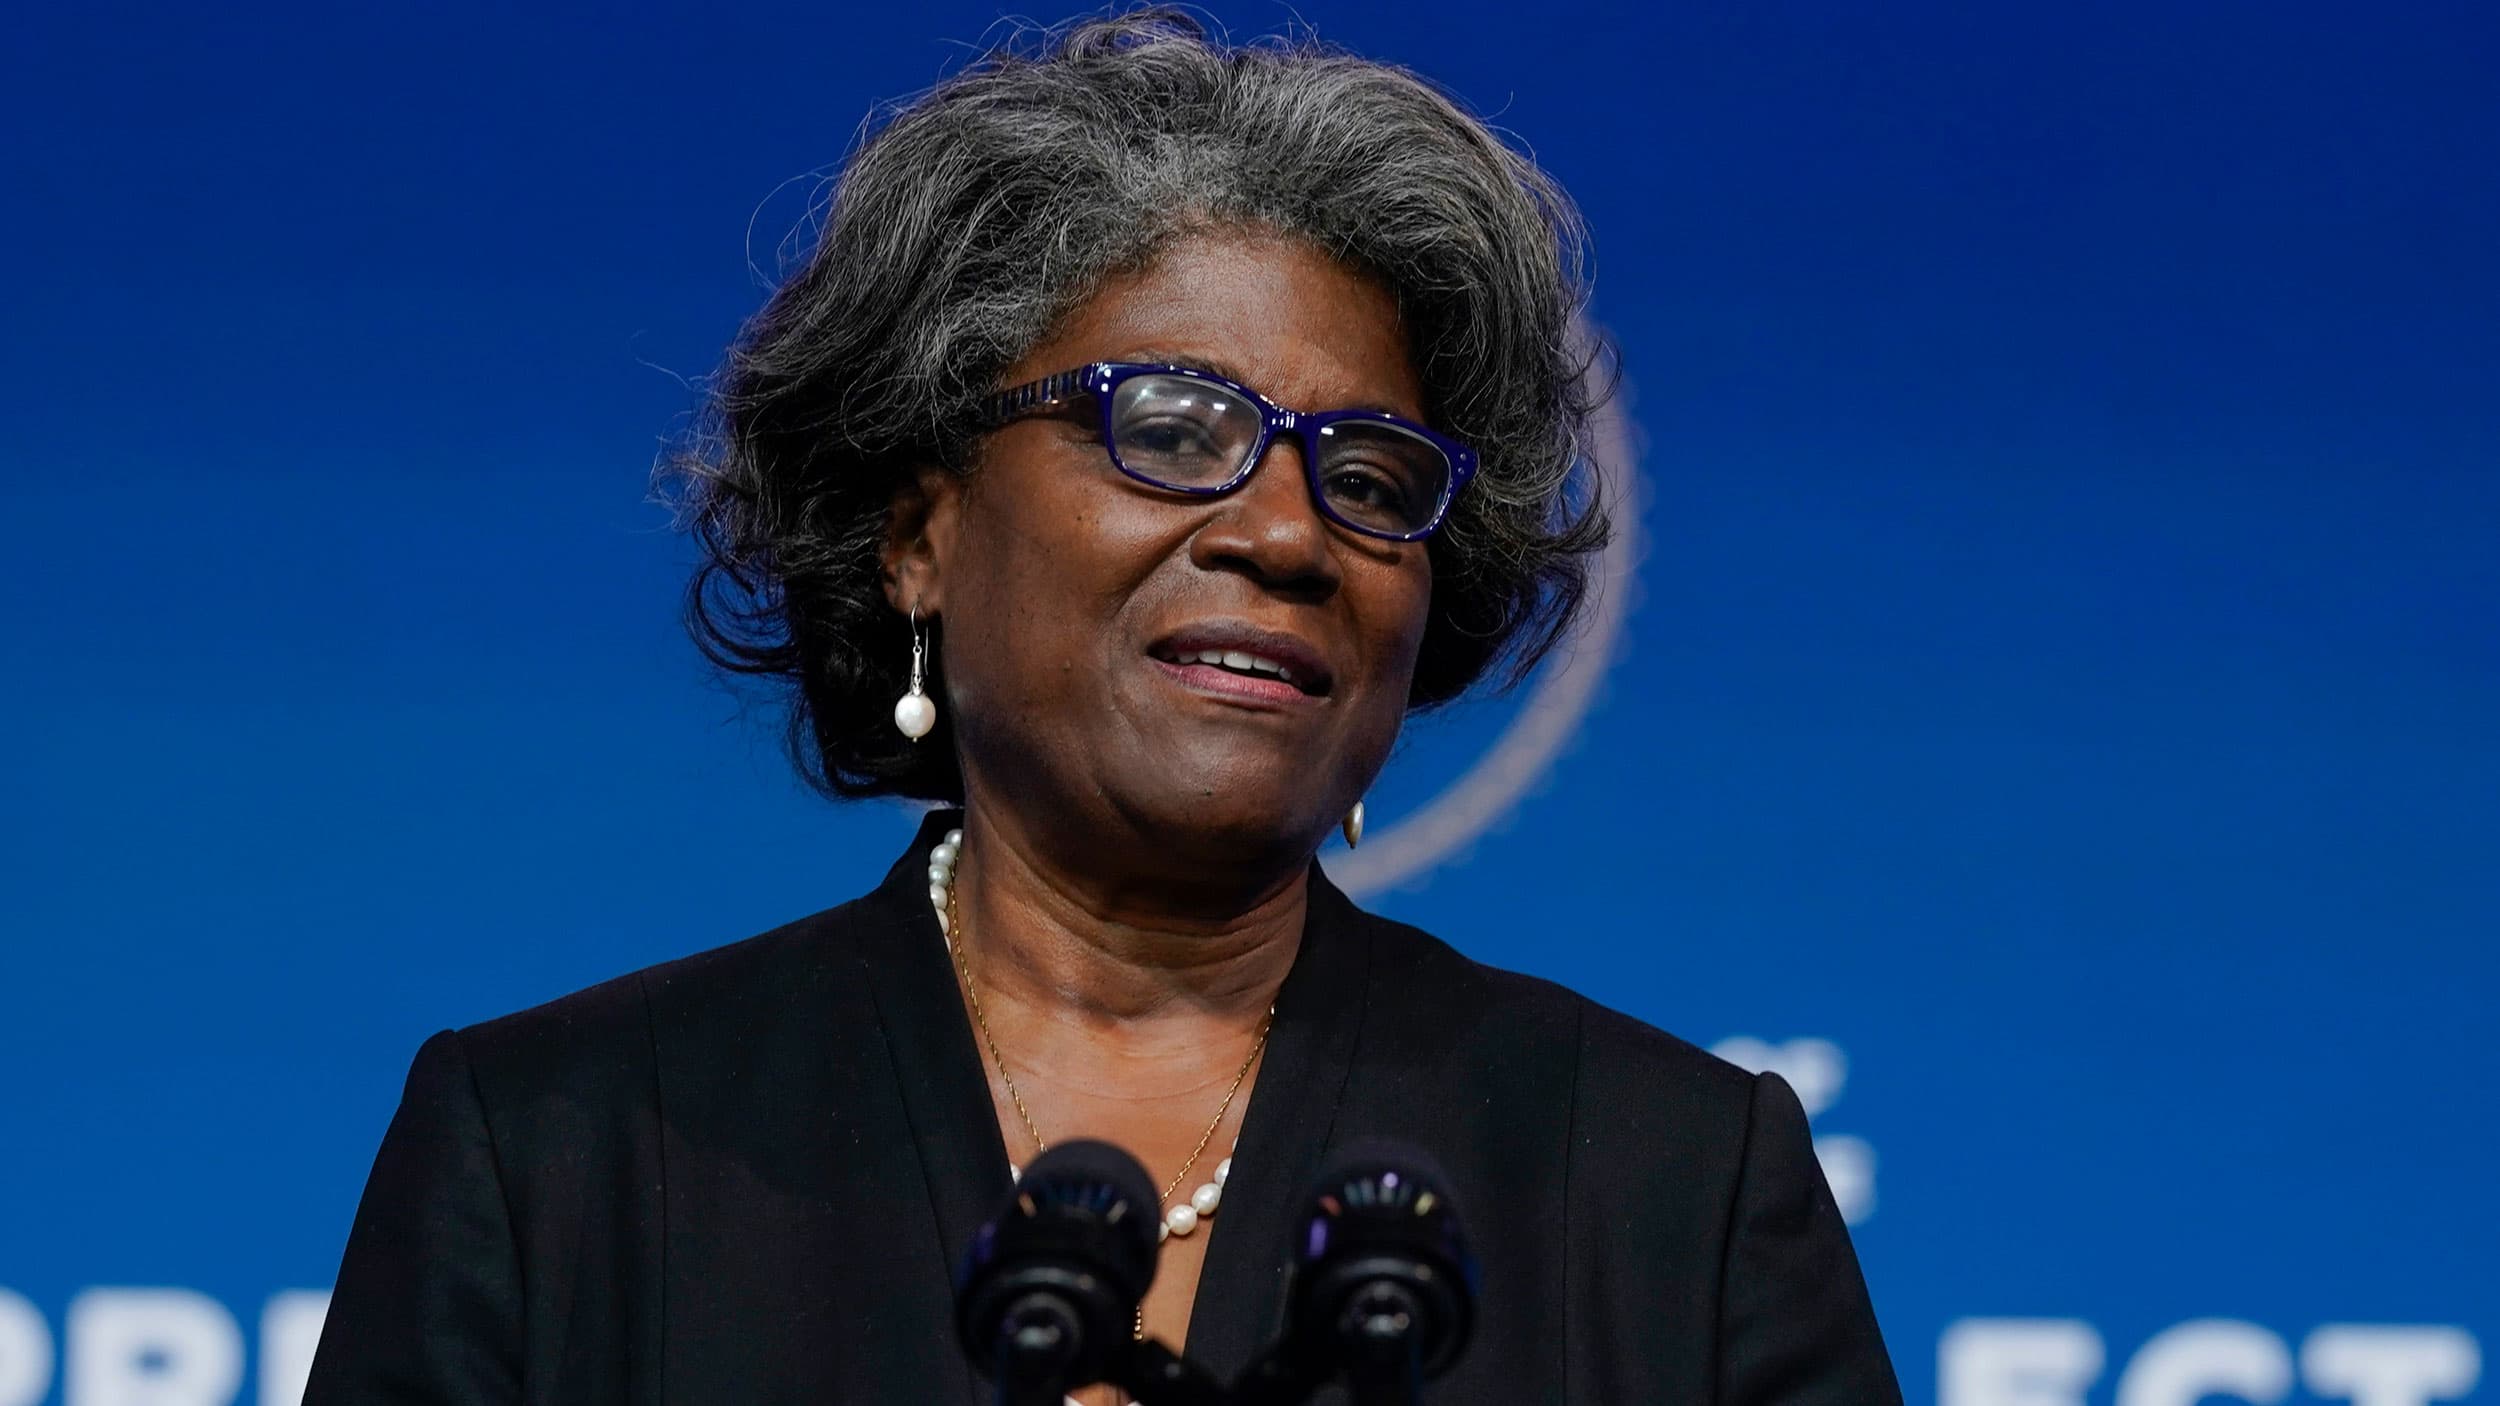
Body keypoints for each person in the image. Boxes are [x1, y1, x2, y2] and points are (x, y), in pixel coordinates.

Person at [304, 10, 1901, 1404]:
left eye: (1369, 476)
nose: (1285, 532)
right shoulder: (561, 1156)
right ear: (919, 532)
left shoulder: (1666, 1188)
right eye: (1175, 427)